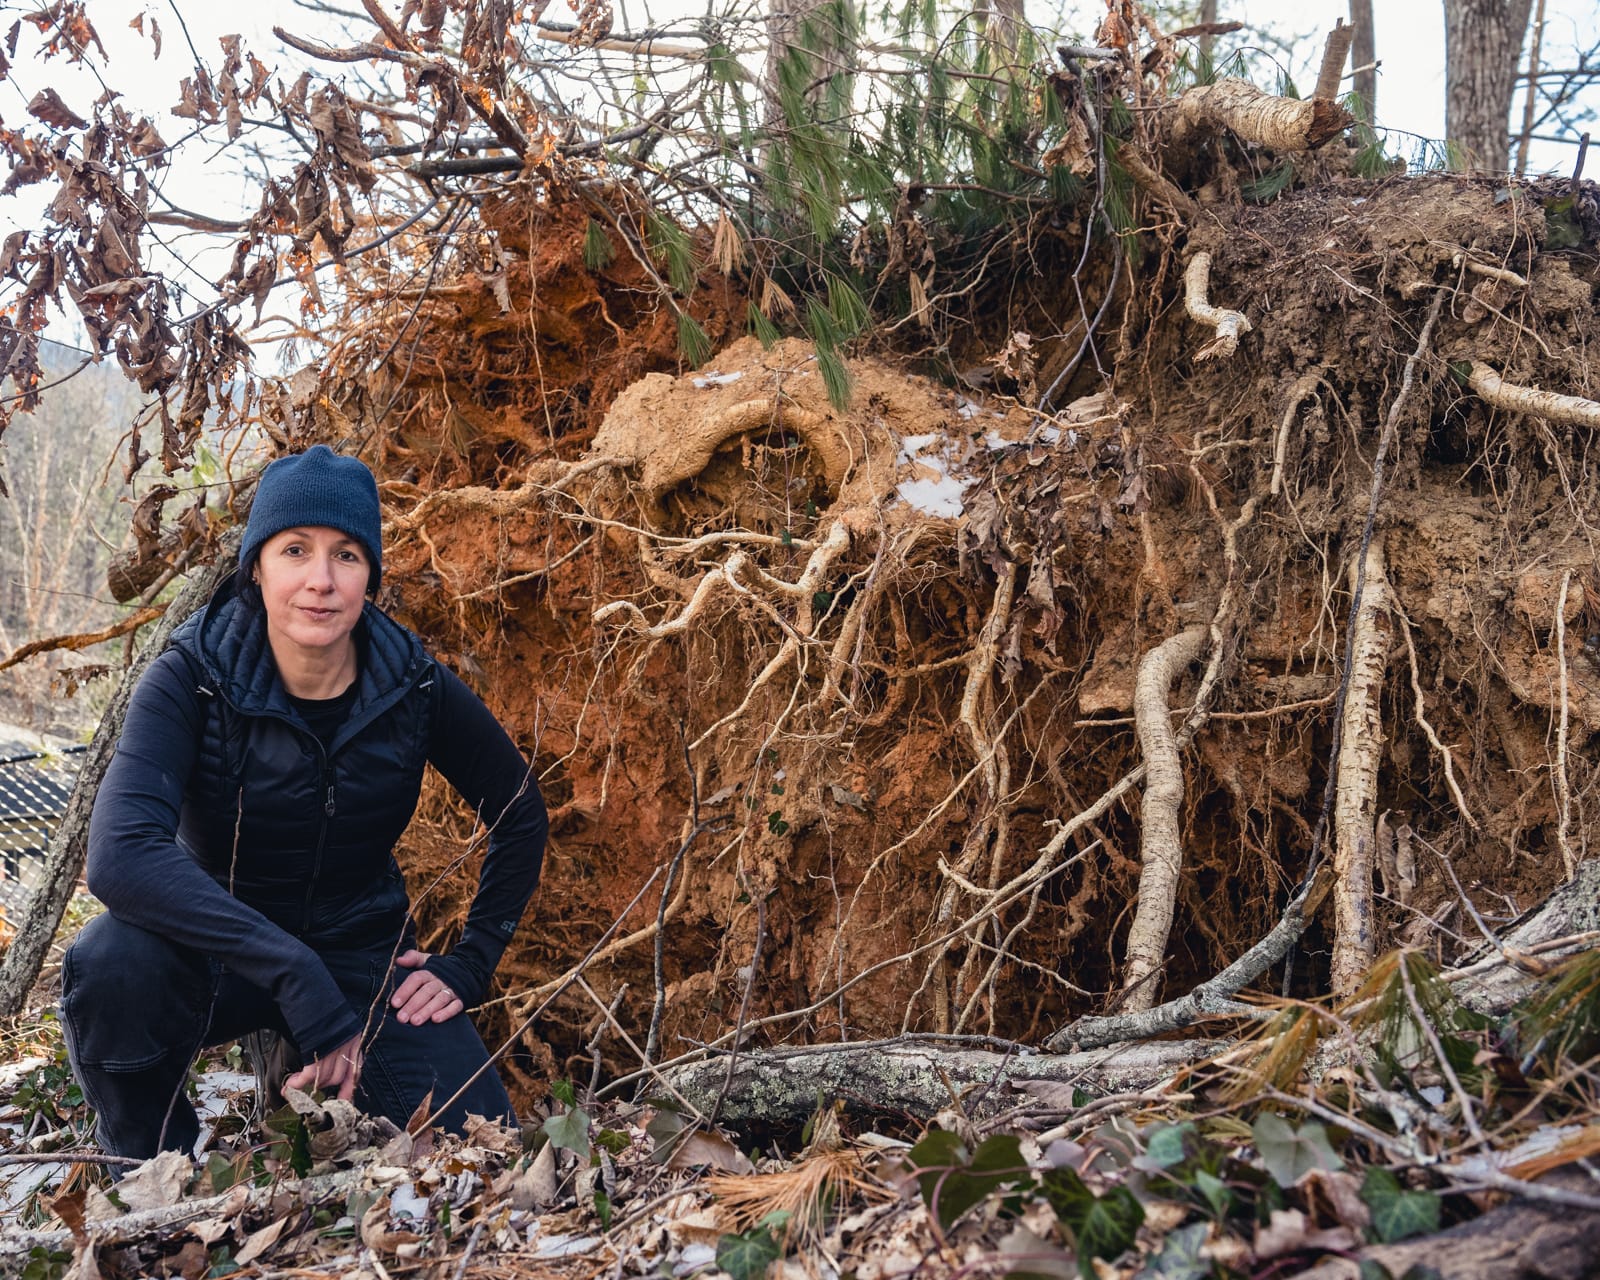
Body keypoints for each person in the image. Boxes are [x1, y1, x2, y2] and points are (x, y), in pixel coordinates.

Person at [61, 445, 547, 1160]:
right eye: (295, 550)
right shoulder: (191, 679)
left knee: (478, 1150)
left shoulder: (411, 686)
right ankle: (147, 1160)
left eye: (347, 555)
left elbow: (519, 811)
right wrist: (294, 971)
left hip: (361, 953)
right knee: (111, 963)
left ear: (369, 576)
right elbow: (120, 854)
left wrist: (470, 963)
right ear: (256, 566)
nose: (320, 581)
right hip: (212, 949)